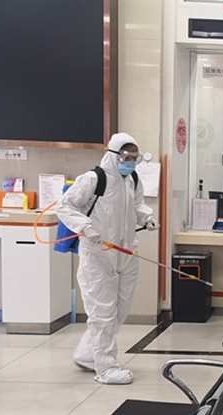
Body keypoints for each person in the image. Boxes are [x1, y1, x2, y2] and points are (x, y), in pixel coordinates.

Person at [55, 133, 156, 385]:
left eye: (135, 158)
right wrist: (85, 227)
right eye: (126, 157)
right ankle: (106, 368)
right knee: (102, 314)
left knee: (119, 311)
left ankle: (87, 354)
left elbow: (137, 206)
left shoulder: (132, 179)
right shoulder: (93, 179)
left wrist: (147, 217)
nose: (130, 162)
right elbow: (65, 206)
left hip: (126, 253)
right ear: (113, 155)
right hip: (98, 255)